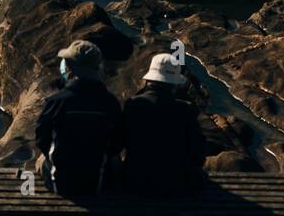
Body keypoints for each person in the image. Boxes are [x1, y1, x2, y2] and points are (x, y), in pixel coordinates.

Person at [35, 40, 124, 197]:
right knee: (115, 160)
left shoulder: (57, 102)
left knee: (41, 160)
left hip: (63, 185)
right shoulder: (110, 103)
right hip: (96, 182)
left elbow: (42, 138)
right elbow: (118, 142)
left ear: (70, 67)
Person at [123, 53, 207, 195]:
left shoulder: (133, 105)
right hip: (176, 185)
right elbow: (198, 153)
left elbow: (120, 142)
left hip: (136, 182)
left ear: (149, 80)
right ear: (174, 84)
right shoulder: (186, 110)